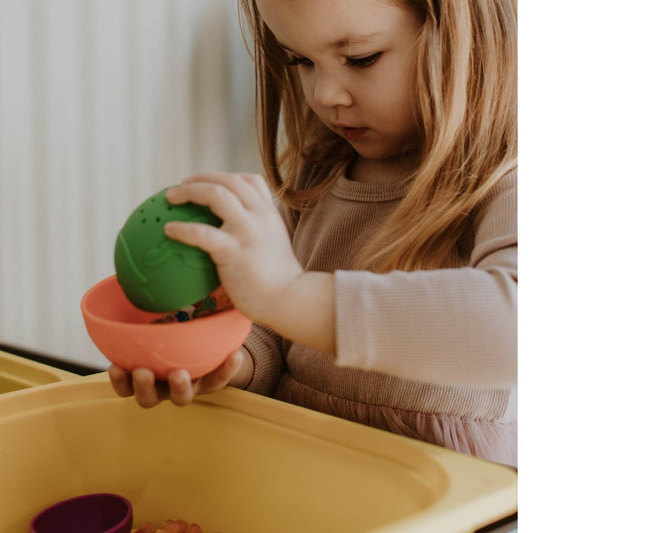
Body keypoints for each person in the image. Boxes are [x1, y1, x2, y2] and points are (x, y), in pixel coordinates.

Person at [108, 0, 517, 467]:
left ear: (466, 29)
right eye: (301, 60)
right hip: (301, 466)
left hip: (445, 492)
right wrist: (227, 360)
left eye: (361, 58)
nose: (325, 94)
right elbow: (276, 332)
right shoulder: (321, 167)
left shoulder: (506, 173)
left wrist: (289, 294)